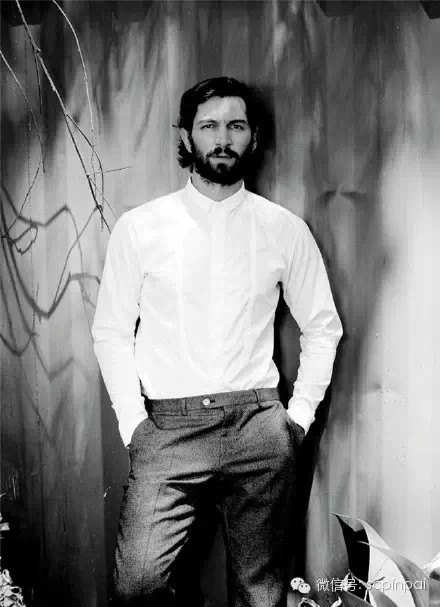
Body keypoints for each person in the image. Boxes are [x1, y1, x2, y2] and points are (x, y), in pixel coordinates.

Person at [91, 76, 343, 607]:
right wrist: (134, 425)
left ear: (254, 136)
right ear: (186, 136)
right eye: (208, 126)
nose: (222, 138)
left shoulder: (283, 229)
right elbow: (110, 331)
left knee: (260, 596)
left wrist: (295, 422)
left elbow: (324, 327)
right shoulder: (140, 228)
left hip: (258, 426)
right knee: (137, 585)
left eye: (236, 126)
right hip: (167, 429)